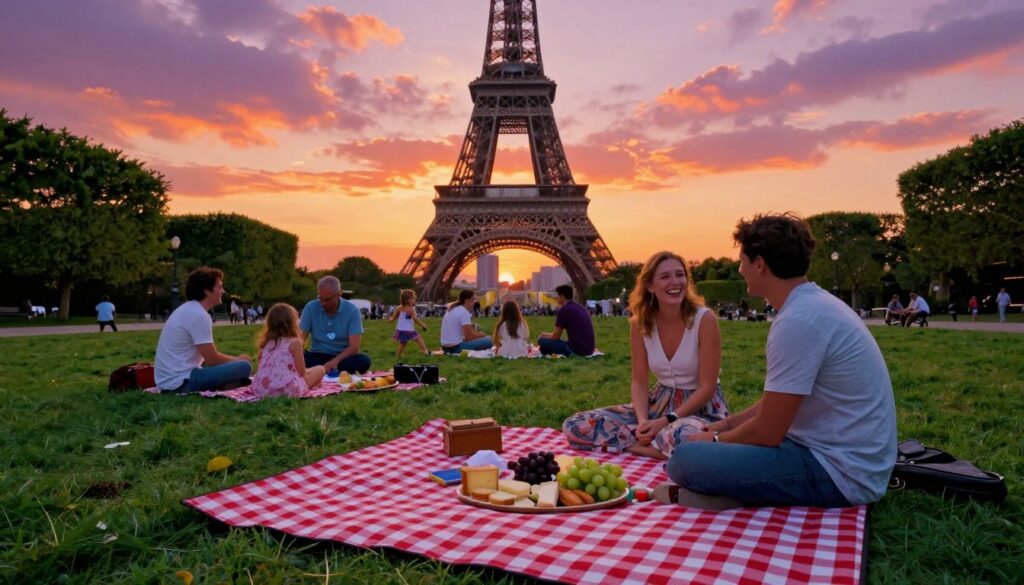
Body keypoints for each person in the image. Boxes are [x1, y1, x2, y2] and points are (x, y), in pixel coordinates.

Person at [656, 213, 896, 510]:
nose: (740, 269)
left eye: (742, 261)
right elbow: (779, 405)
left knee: (685, 460)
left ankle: (735, 494)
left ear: (760, 265)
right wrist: (725, 425)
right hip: (848, 461)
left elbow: (767, 432)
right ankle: (737, 492)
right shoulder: (814, 305)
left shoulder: (797, 321)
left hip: (839, 474)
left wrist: (717, 441)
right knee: (703, 451)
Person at [563, 251, 729, 460]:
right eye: (665, 276)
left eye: (680, 275)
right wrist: (642, 421)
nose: (675, 282)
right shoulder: (639, 323)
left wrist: (666, 421)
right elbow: (639, 382)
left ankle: (637, 446)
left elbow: (707, 387)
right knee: (575, 425)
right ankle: (657, 445)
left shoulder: (705, 319)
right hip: (658, 404)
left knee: (684, 435)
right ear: (650, 285)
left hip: (700, 409)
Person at [154, 267, 253, 393]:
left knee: (232, 366)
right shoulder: (199, 315)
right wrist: (239, 360)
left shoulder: (188, 309)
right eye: (219, 287)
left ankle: (227, 384)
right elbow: (212, 360)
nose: (223, 291)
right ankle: (228, 383)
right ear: (207, 291)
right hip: (180, 382)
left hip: (169, 381)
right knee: (244, 367)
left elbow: (207, 357)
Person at [251, 303, 325, 399]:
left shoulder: (266, 343)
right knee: (320, 369)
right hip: (286, 389)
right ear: (292, 323)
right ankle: (312, 384)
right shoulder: (295, 342)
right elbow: (301, 372)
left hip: (262, 388)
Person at [300, 276, 371, 373]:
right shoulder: (310, 307)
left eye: (328, 300)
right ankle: (330, 371)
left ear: (339, 294)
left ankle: (320, 371)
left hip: (341, 357)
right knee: (299, 358)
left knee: (363, 360)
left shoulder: (352, 310)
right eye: (320, 298)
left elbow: (354, 347)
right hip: (316, 355)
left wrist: (334, 362)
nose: (323, 303)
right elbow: (300, 338)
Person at [538, 285, 596, 356]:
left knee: (542, 341)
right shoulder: (580, 307)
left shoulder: (564, 310)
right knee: (545, 347)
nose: (556, 298)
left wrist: (543, 335)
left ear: (562, 296)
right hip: (589, 350)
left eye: (557, 295)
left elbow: (556, 337)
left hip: (576, 350)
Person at [389, 289, 429, 358]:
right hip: (409, 330)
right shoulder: (411, 309)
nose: (415, 300)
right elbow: (415, 319)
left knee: (403, 343)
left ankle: (398, 355)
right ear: (408, 300)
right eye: (413, 299)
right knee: (418, 338)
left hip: (401, 330)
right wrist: (423, 325)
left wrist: (390, 320)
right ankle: (425, 351)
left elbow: (394, 318)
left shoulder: (399, 308)